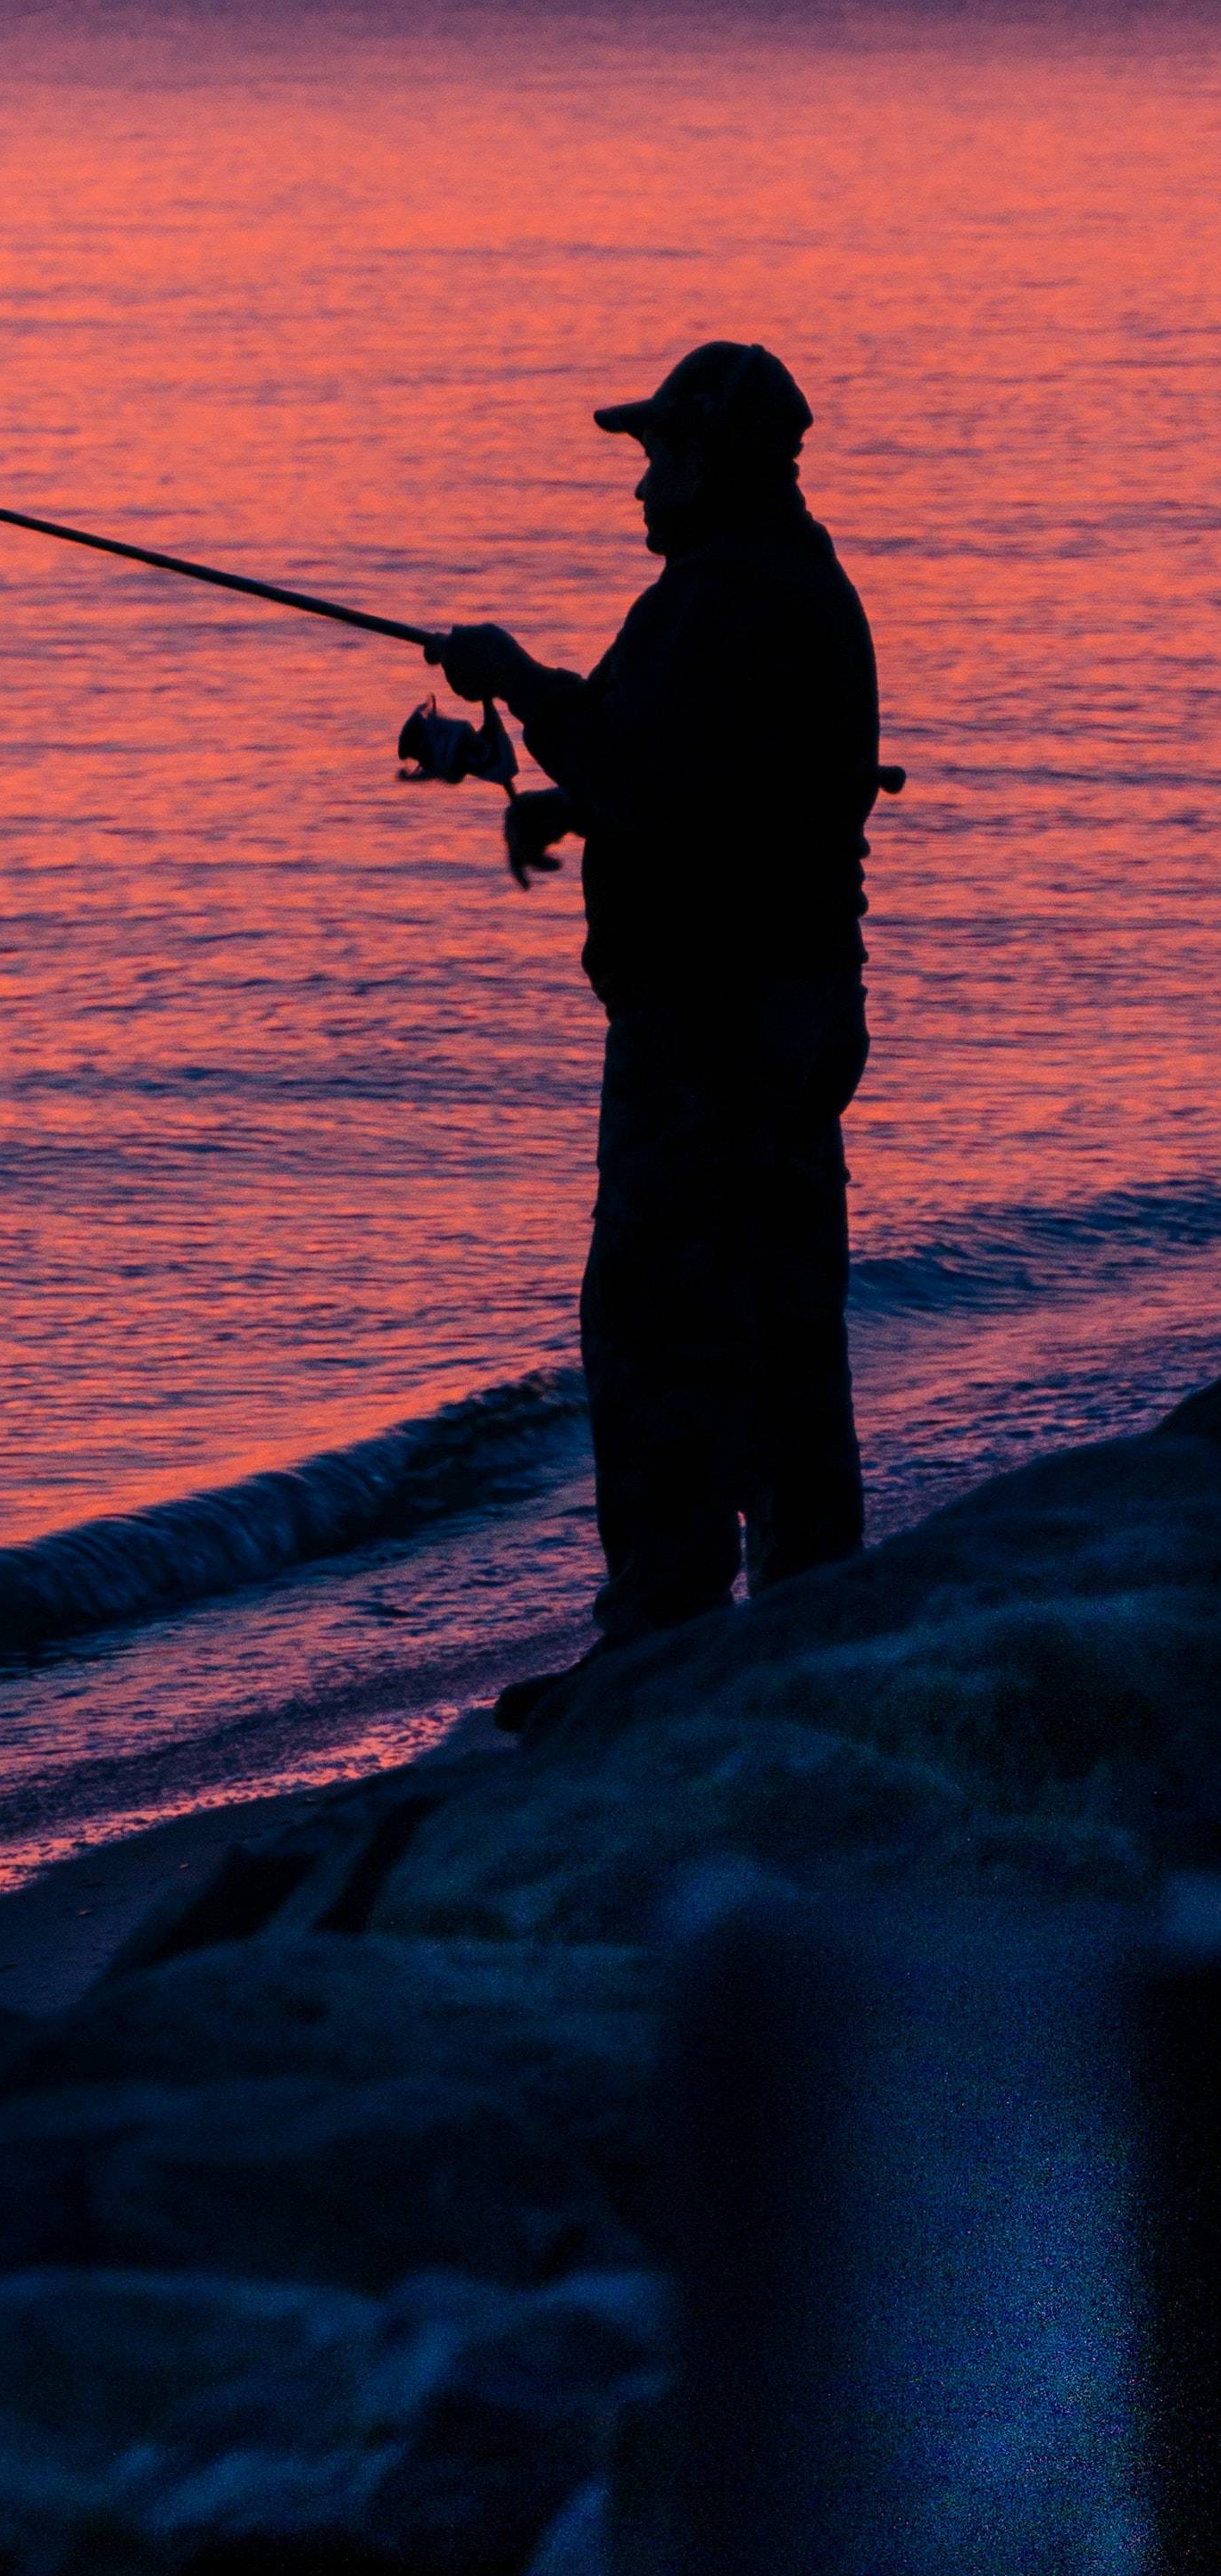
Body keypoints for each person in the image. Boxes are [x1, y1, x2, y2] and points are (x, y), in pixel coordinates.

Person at [430, 342, 885, 1723]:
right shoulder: (777, 586)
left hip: (714, 1027)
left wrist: (516, 680)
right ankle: (807, 1612)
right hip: (788, 1007)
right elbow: (726, 785)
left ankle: (660, 1644)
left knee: (662, 1325)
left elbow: (655, 765)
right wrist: (565, 801)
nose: (640, 481)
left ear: (715, 459)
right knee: (778, 1322)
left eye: (658, 454)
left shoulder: (727, 596)